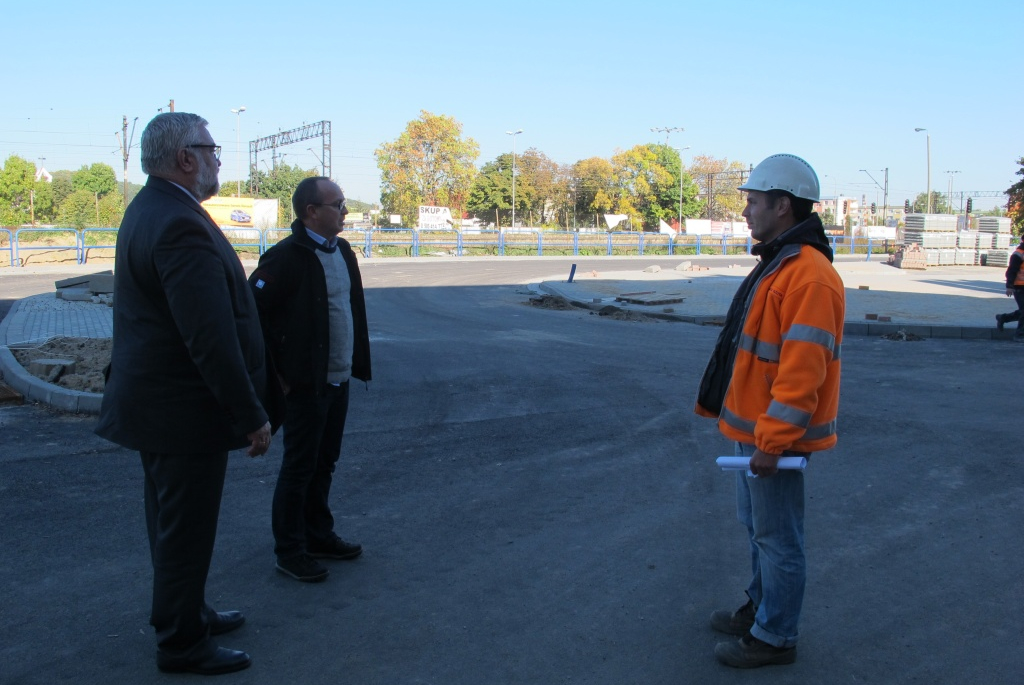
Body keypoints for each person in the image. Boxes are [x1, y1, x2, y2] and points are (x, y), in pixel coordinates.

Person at [96, 112, 280, 675]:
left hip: (159, 408)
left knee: (172, 524)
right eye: (213, 148)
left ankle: (189, 611)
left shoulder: (151, 208)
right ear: (186, 158)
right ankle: (181, 643)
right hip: (182, 412)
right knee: (185, 530)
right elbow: (208, 336)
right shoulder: (179, 223)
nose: (219, 159)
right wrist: (251, 413)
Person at [694, 154, 844, 669]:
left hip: (772, 439)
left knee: (778, 539)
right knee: (759, 530)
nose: (747, 212)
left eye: (754, 202)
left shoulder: (809, 277)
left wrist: (773, 440)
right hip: (756, 432)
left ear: (784, 206)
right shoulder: (780, 263)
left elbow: (804, 372)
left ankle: (775, 636)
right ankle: (761, 608)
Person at [249, 176, 372, 583]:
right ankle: (290, 550)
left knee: (325, 463)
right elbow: (252, 316)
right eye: (337, 204)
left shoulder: (344, 252)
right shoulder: (286, 257)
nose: (344, 211)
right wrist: (278, 374)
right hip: (304, 385)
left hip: (337, 379)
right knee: (300, 467)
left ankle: (318, 535)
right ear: (311, 212)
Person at [995, 236, 1024, 341]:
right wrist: (1009, 286)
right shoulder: (1018, 254)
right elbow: (1011, 271)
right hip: (1019, 287)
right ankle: (1020, 335)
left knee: (1023, 311)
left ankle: (1003, 318)